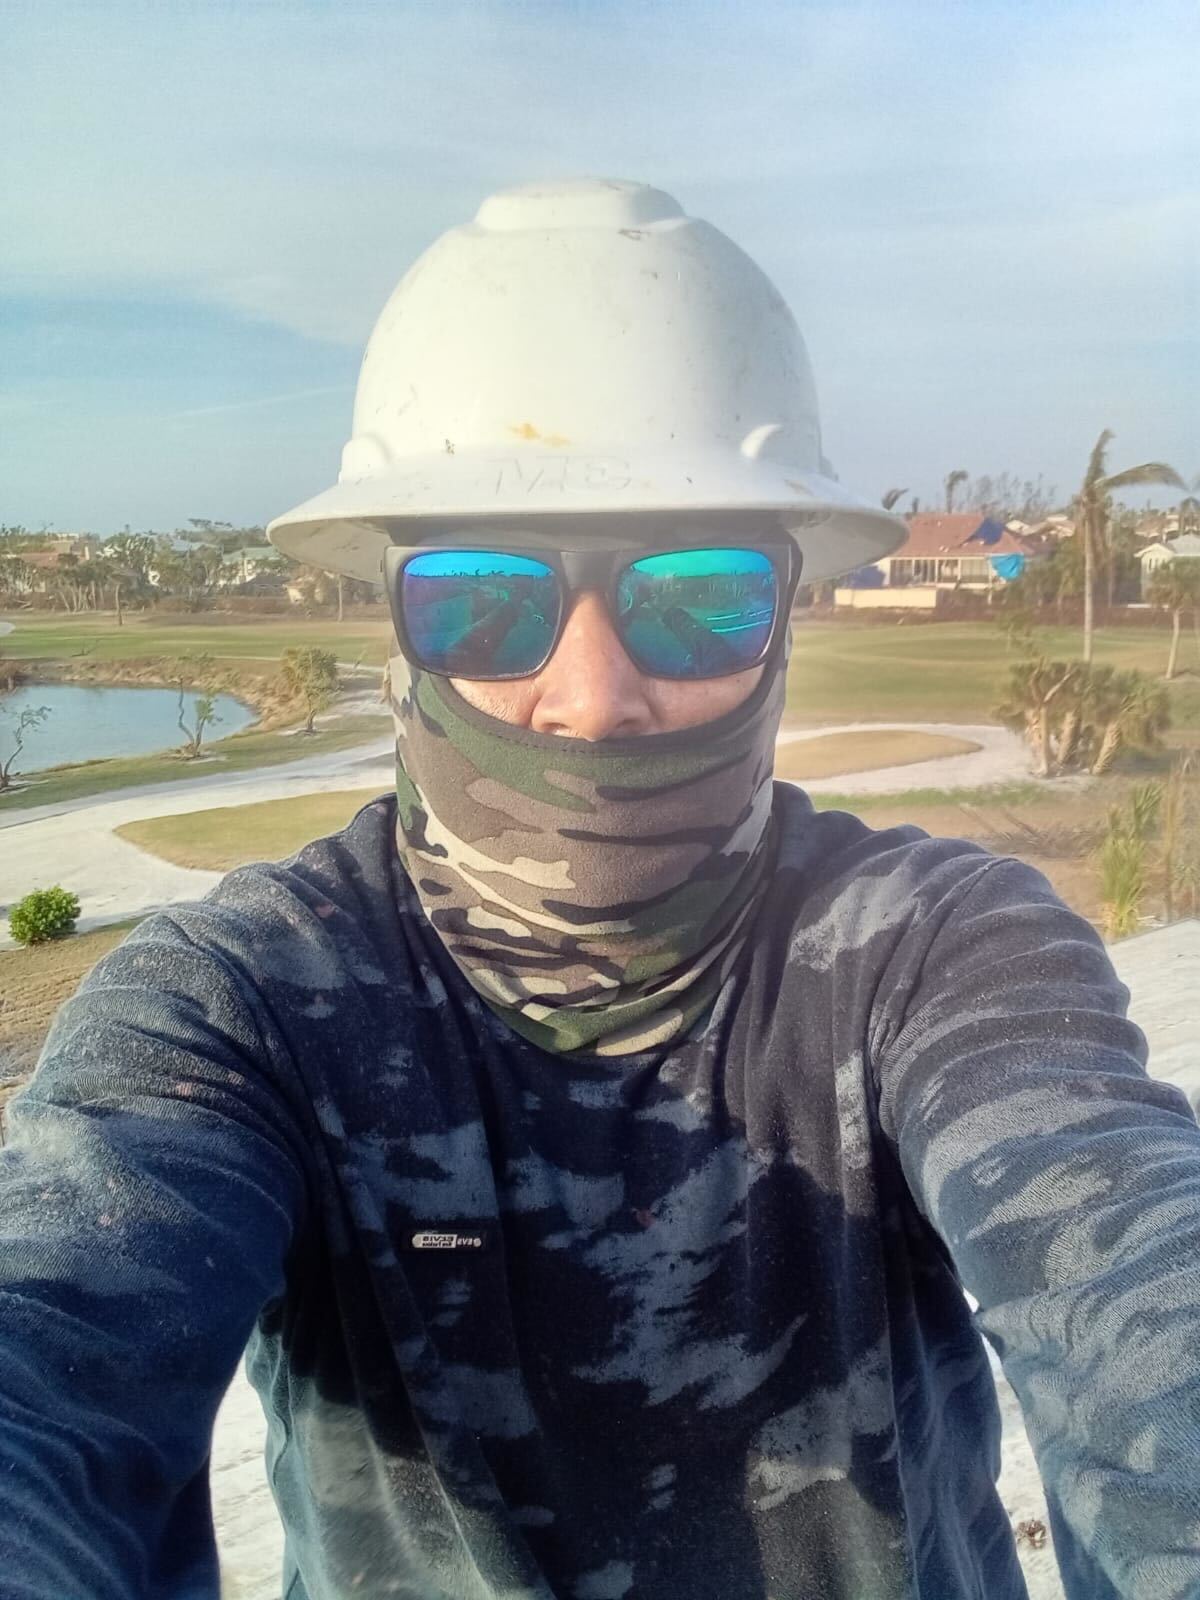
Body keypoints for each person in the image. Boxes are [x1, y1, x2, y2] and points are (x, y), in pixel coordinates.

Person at [1, 179, 1197, 1600]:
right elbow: (58, 1329)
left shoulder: (939, 951)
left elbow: (1132, 1276)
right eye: (483, 602)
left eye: (694, 598)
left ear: (787, 616)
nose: (592, 700)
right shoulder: (238, 1004)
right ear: (392, 621)